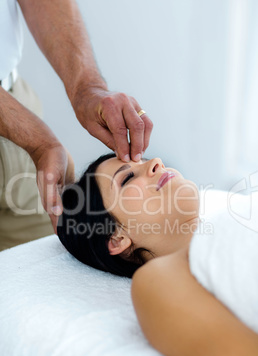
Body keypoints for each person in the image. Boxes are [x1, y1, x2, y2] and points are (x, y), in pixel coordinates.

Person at [57, 152, 258, 356]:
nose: (156, 161)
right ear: (116, 238)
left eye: (144, 159)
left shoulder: (240, 213)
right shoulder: (158, 279)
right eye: (127, 178)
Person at [0, 0, 153, 250]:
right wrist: (40, 143)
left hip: (16, 108)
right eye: (125, 180)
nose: (157, 162)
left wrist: (87, 88)